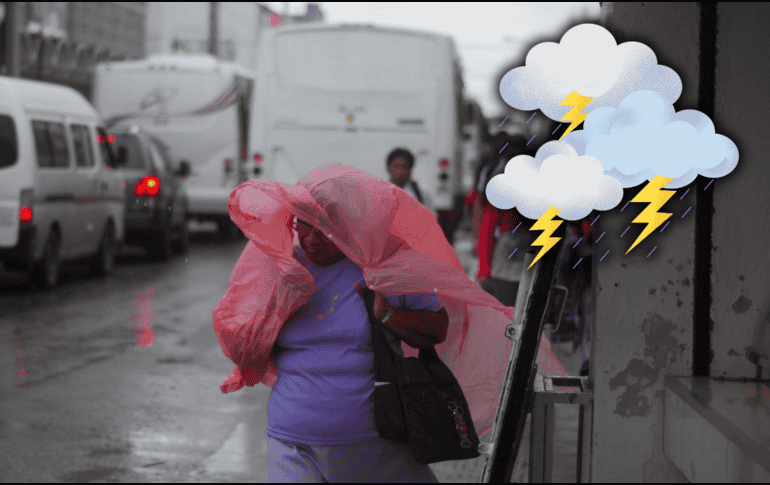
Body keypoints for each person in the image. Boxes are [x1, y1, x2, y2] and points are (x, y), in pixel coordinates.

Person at [264, 216, 447, 482]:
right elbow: (245, 341)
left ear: (347, 224)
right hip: (291, 443)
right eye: (304, 223)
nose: (312, 238)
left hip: (376, 446)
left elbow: (437, 328)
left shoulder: (382, 268)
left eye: (323, 227)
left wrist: (388, 316)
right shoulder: (283, 268)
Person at [386, 147, 437, 219]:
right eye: (396, 167)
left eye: (404, 167)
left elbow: (432, 219)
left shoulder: (421, 196)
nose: (399, 171)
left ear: (410, 169)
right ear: (389, 168)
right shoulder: (380, 194)